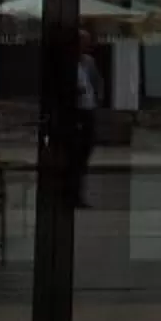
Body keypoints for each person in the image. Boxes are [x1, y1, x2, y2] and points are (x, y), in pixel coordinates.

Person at [70, 34, 101, 206]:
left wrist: (97, 97)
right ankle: (73, 194)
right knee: (74, 155)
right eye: (82, 43)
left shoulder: (88, 62)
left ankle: (78, 192)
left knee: (85, 153)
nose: (85, 46)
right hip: (76, 112)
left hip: (88, 110)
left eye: (87, 43)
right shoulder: (66, 62)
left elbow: (96, 81)